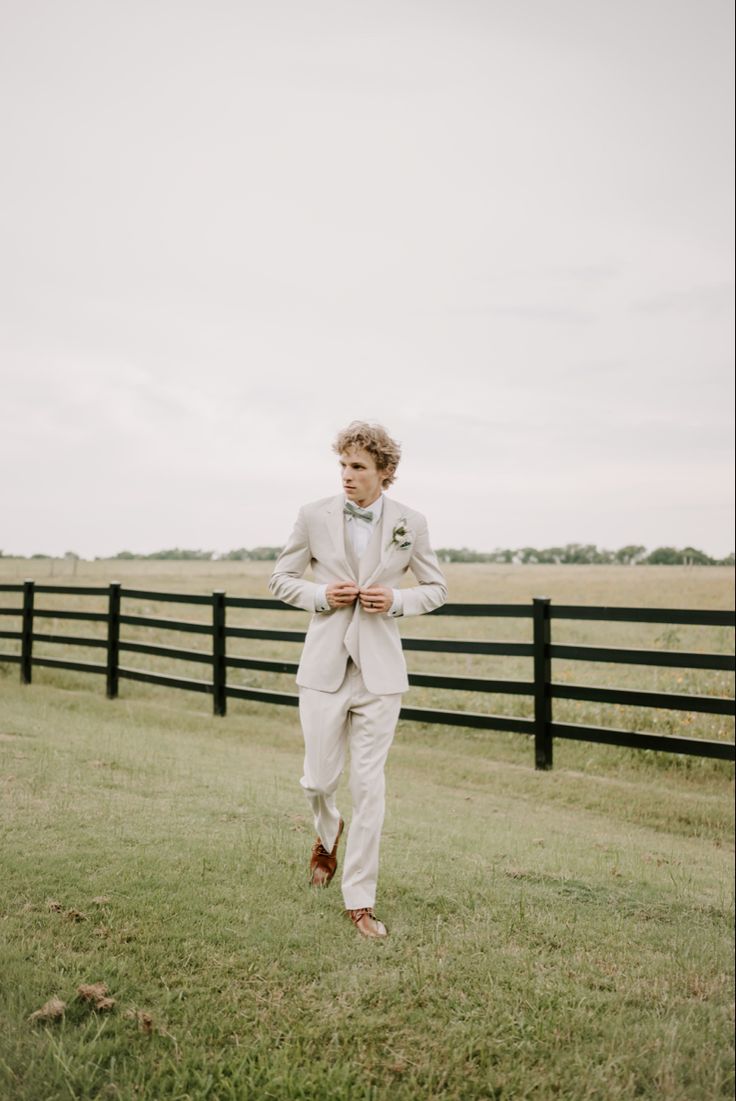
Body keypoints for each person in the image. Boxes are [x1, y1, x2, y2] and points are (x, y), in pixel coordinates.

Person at [269, 421, 447, 939]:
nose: (347, 476)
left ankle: (360, 901)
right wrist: (323, 595)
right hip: (324, 668)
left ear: (384, 474)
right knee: (319, 779)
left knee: (370, 786)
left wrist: (399, 601)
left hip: (380, 673)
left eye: (358, 467)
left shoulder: (411, 522)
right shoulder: (312, 516)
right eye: (343, 465)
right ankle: (328, 829)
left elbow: (435, 588)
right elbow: (280, 578)